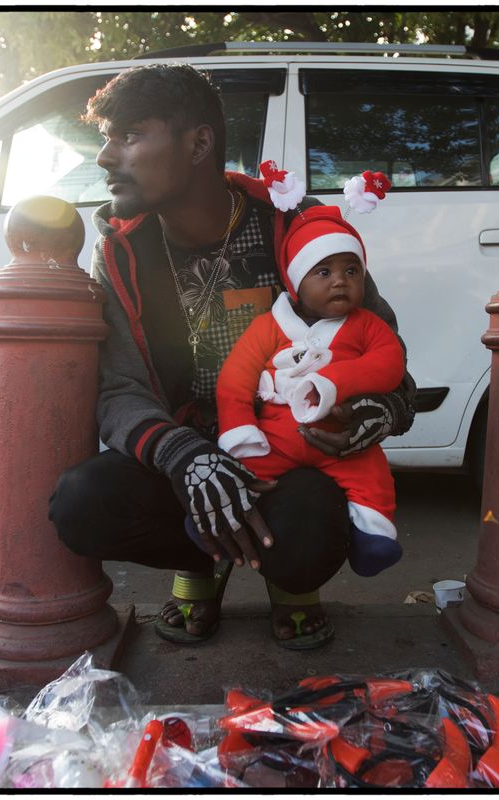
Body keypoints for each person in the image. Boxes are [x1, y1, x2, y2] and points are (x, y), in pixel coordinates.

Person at [48, 64, 416, 650]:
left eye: (130, 136)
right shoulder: (122, 249)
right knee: (82, 504)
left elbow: (387, 355)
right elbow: (119, 387)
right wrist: (188, 459)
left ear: (199, 144)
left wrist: (374, 414)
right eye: (108, 138)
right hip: (191, 452)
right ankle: (201, 562)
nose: (106, 157)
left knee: (306, 534)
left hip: (287, 455)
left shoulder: (298, 227)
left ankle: (290, 582)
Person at [215, 205, 405, 579]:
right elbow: (235, 378)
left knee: (372, 476)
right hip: (274, 439)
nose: (340, 281)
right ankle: (218, 526)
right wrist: (239, 429)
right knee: (241, 477)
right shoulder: (270, 326)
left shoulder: (366, 325)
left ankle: (374, 538)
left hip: (342, 440)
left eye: (352, 271)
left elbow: (389, 363)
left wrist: (336, 382)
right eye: (324, 272)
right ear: (296, 282)